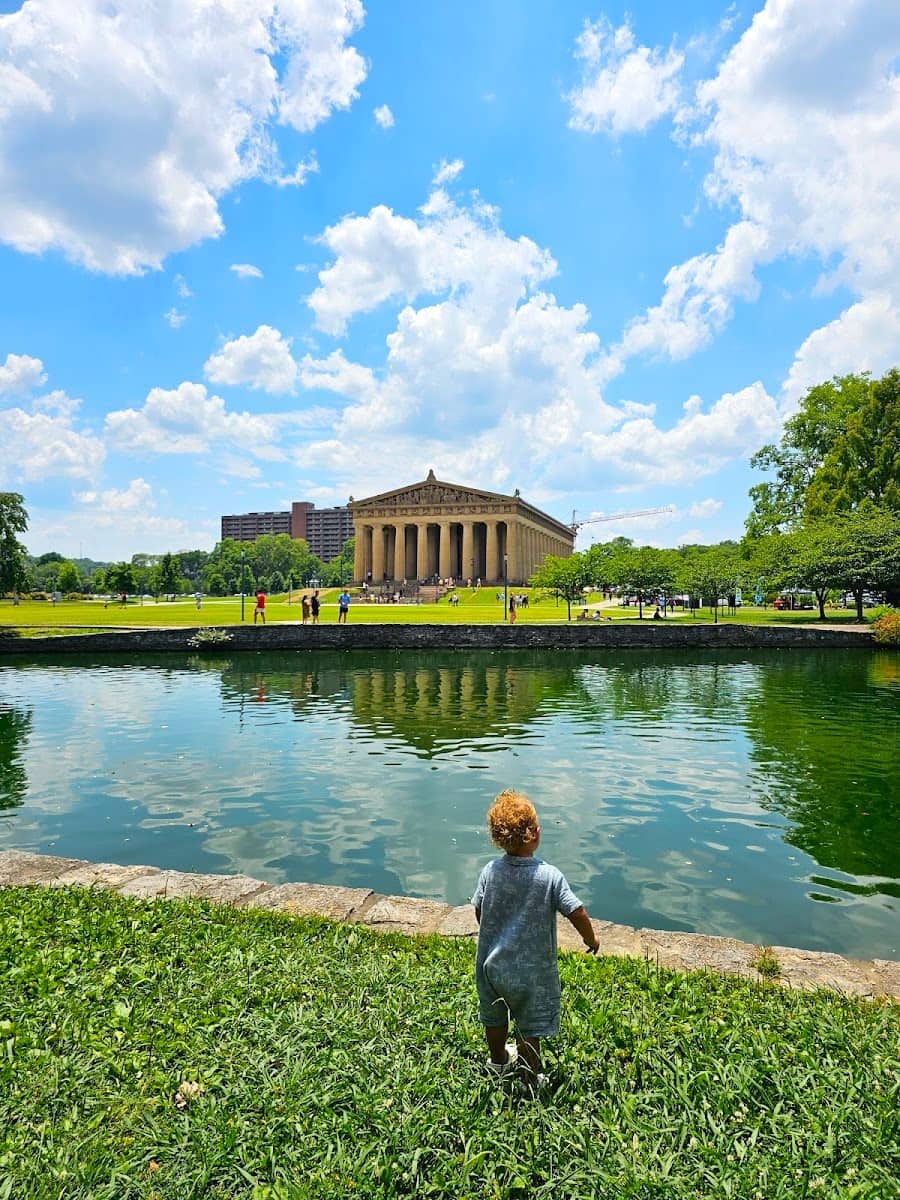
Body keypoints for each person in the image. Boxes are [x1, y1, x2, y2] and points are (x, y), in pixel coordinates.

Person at [473, 790, 599, 1090]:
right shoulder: (549, 875)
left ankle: (499, 1062)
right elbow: (576, 910)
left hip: (492, 965)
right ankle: (529, 1078)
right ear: (534, 835)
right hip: (531, 972)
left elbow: (479, 908)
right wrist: (591, 938)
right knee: (529, 1026)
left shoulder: (490, 871)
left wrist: (493, 931)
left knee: (495, 1016)